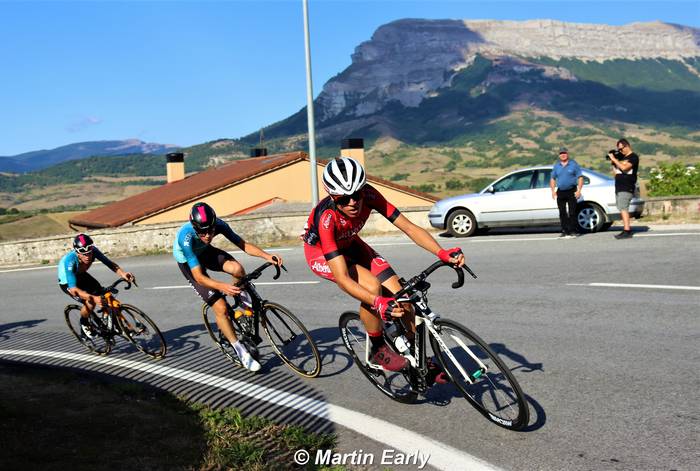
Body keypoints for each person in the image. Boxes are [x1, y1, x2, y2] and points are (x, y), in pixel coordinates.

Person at [302, 157, 464, 380]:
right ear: (332, 197)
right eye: (343, 199)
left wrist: (441, 252)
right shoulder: (326, 219)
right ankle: (377, 347)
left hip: (350, 242)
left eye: (356, 195)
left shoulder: (370, 195)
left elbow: (408, 226)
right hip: (323, 254)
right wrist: (377, 302)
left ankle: (418, 359)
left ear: (362, 190)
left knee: (403, 296)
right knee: (372, 288)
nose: (352, 203)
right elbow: (342, 278)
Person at [173, 202, 283, 372]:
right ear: (195, 227)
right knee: (221, 307)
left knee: (237, 269)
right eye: (202, 232)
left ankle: (243, 306)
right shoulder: (185, 238)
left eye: (210, 230)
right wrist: (222, 286)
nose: (208, 235)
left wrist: (266, 256)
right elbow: (199, 277)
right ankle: (240, 351)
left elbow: (243, 245)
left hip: (205, 252)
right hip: (190, 263)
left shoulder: (219, 225)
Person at [58, 234, 135, 338]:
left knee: (104, 294)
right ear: (77, 253)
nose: (87, 256)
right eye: (84, 254)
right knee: (90, 303)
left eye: (89, 253)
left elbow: (109, 263)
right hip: (68, 283)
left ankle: (114, 324)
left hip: (81, 275)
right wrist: (94, 298)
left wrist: (123, 273)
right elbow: (73, 289)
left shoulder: (93, 250)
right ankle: (84, 322)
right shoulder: (70, 261)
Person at [608, 138, 639, 239]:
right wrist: (613, 162)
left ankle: (627, 230)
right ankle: (626, 229)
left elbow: (625, 168)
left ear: (627, 146)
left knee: (624, 208)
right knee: (621, 207)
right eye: (619, 150)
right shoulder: (621, 158)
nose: (620, 151)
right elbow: (615, 173)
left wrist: (614, 159)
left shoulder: (633, 157)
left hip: (627, 186)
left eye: (621, 149)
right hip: (619, 186)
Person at [550, 146, 584, 238]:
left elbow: (580, 177)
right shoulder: (557, 166)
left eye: (564, 153)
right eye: (561, 153)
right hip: (560, 191)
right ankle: (565, 230)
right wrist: (553, 191)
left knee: (572, 212)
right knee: (562, 212)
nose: (563, 155)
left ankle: (573, 230)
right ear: (559, 155)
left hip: (572, 190)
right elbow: (553, 178)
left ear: (567, 154)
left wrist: (579, 190)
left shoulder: (573, 164)